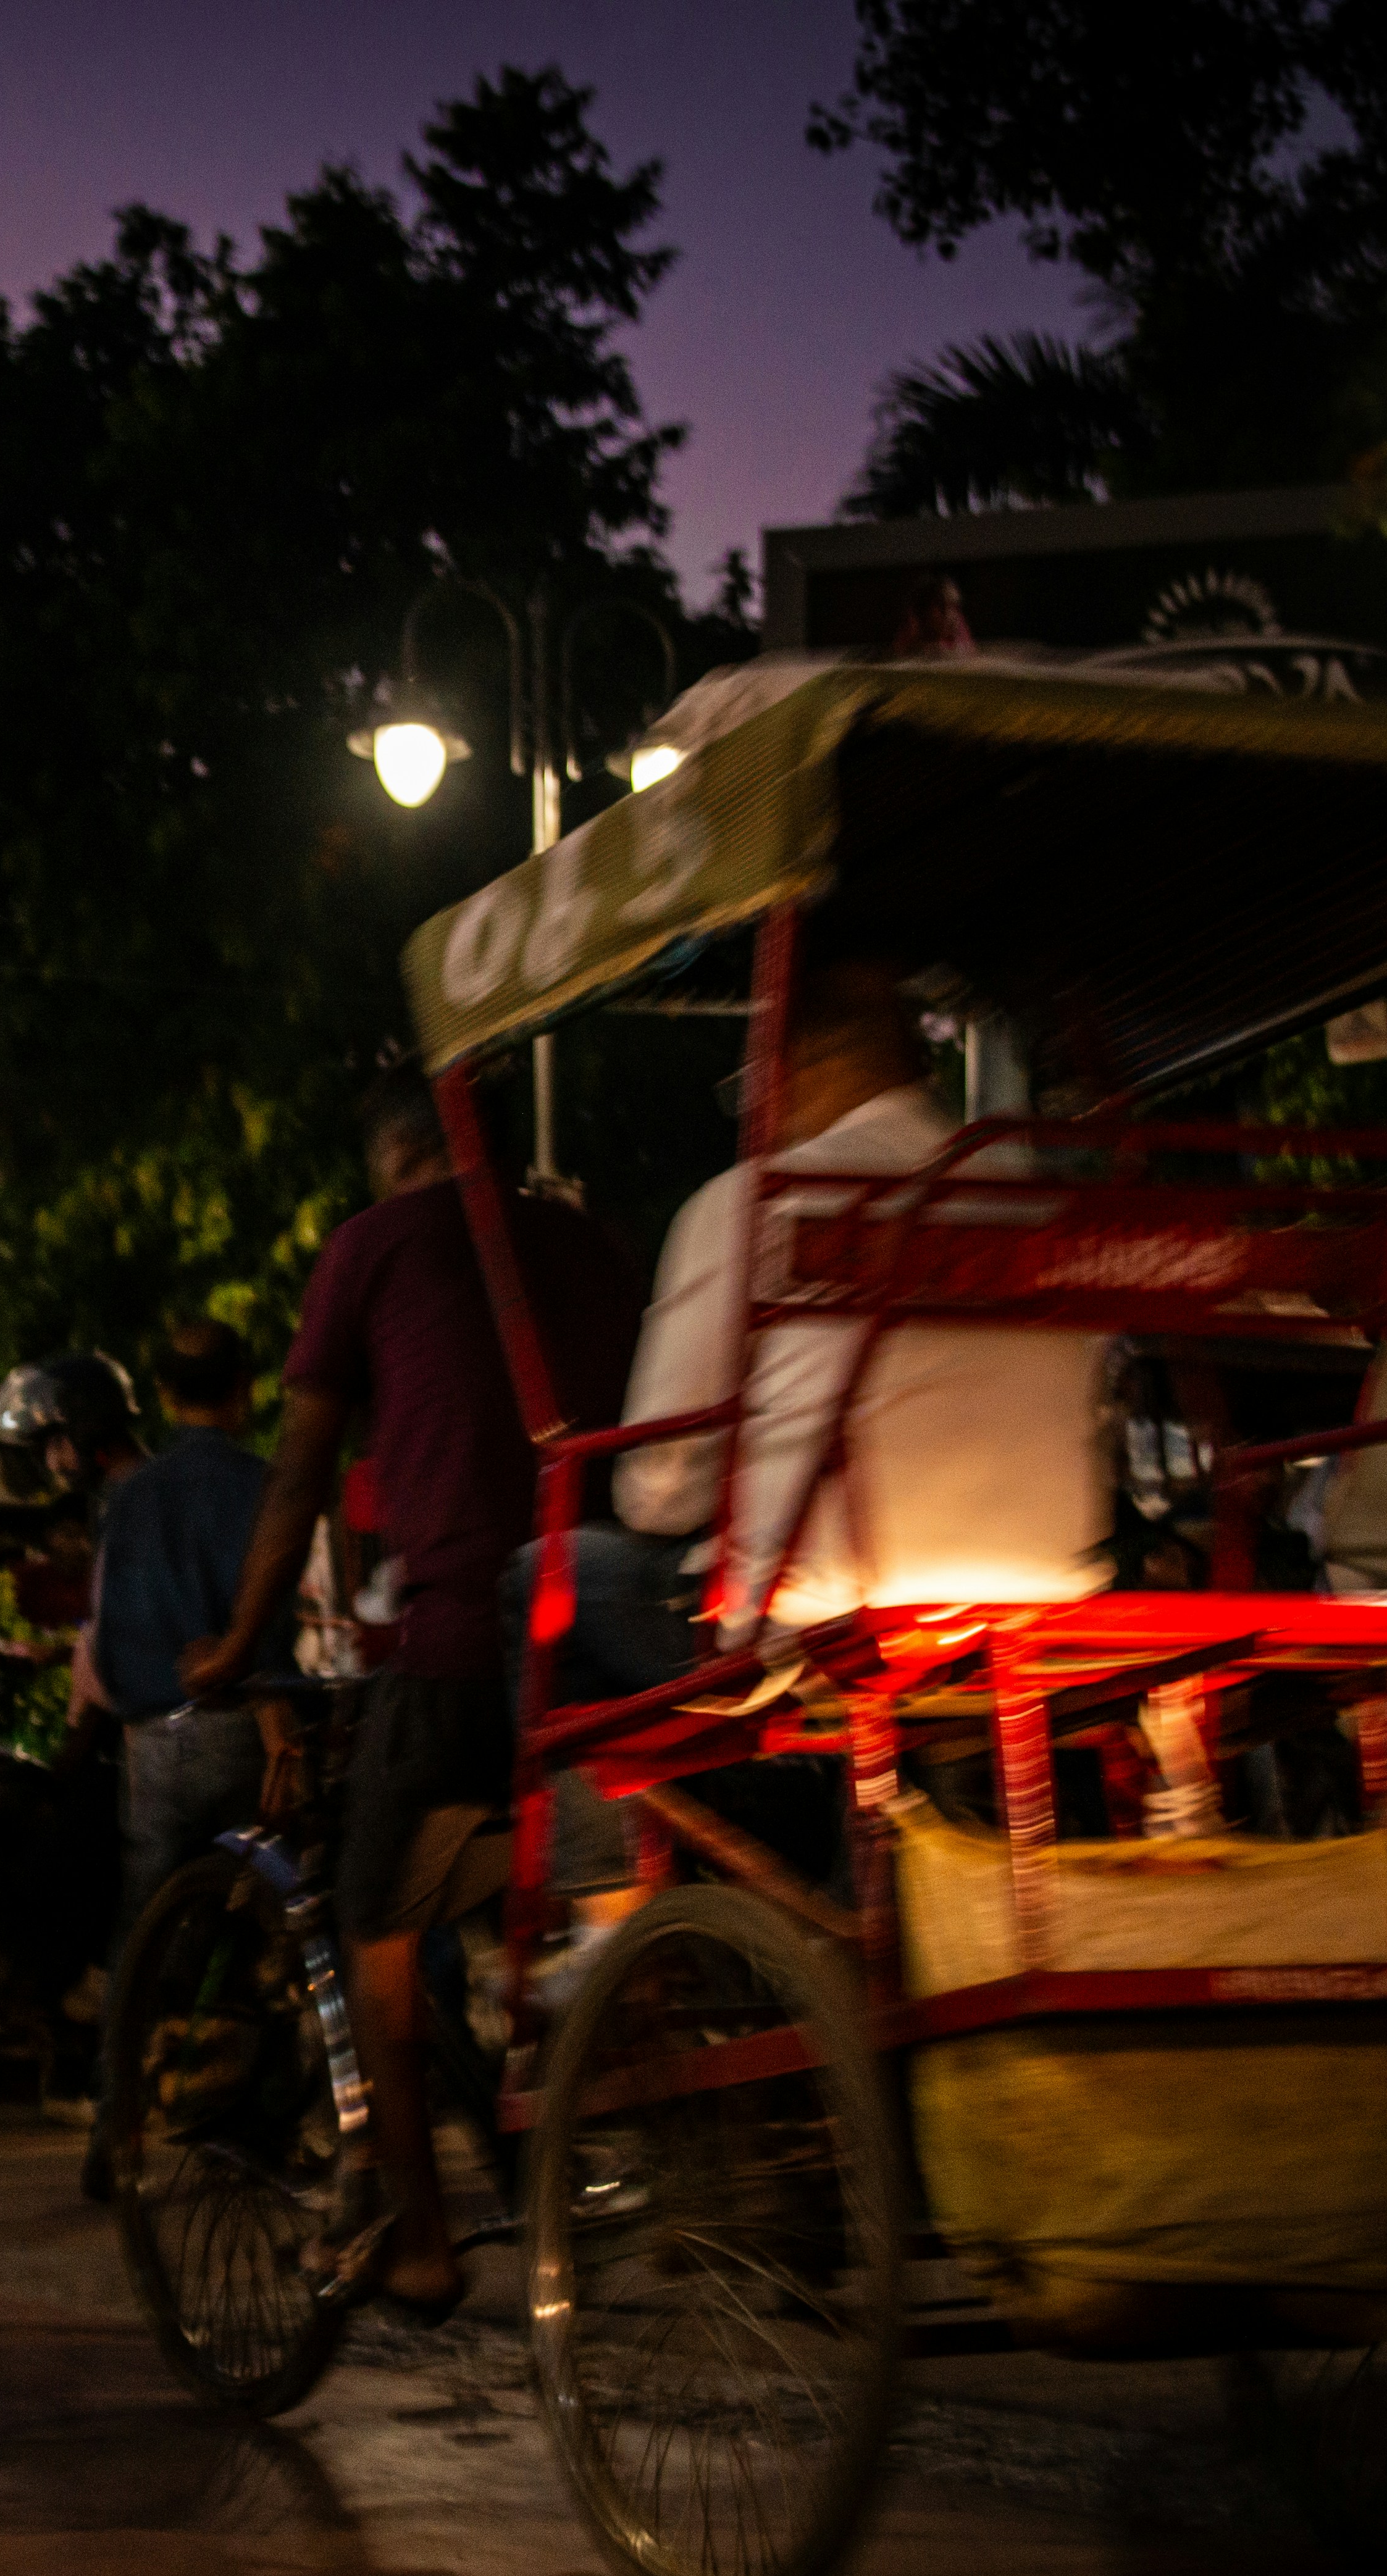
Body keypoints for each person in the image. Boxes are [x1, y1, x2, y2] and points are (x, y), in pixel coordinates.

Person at [182, 1076, 638, 2322]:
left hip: (453, 1644)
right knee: (571, 1873)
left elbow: (298, 1478)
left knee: (372, 1924)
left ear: (396, 1160)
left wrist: (232, 1646)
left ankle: (421, 2235)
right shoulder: (592, 1245)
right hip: (601, 1641)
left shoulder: (371, 1246)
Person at [608, 949, 1107, 1651]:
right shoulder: (1031, 1200)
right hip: (1044, 1581)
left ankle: (737, 1766)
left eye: (755, 1083)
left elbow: (659, 1489)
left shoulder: (752, 1202)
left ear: (816, 1065)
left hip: (817, 1605)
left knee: (545, 1579)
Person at [78, 1317, 279, 2194]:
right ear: (244, 1389)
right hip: (246, 1729)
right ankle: (242, 2115)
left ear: (162, 1395)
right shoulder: (264, 1487)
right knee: (256, 1932)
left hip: (155, 1740)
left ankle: (115, 2125)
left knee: (144, 1939)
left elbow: (112, 1629)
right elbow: (273, 1622)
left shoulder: (132, 1497)